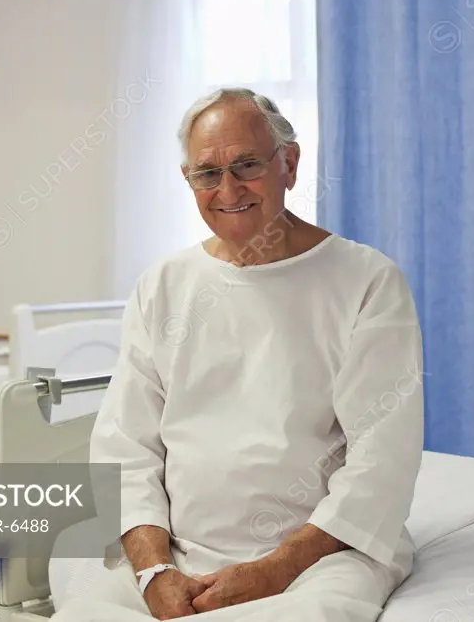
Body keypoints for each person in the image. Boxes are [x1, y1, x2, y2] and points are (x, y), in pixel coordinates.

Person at [52, 88, 425, 621]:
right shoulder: (162, 286)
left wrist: (273, 570)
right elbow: (125, 449)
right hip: (176, 552)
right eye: (207, 174)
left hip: (321, 556)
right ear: (189, 181)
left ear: (289, 164)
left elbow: (381, 461)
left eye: (246, 165)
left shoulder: (366, 281)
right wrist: (156, 570)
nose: (227, 189)